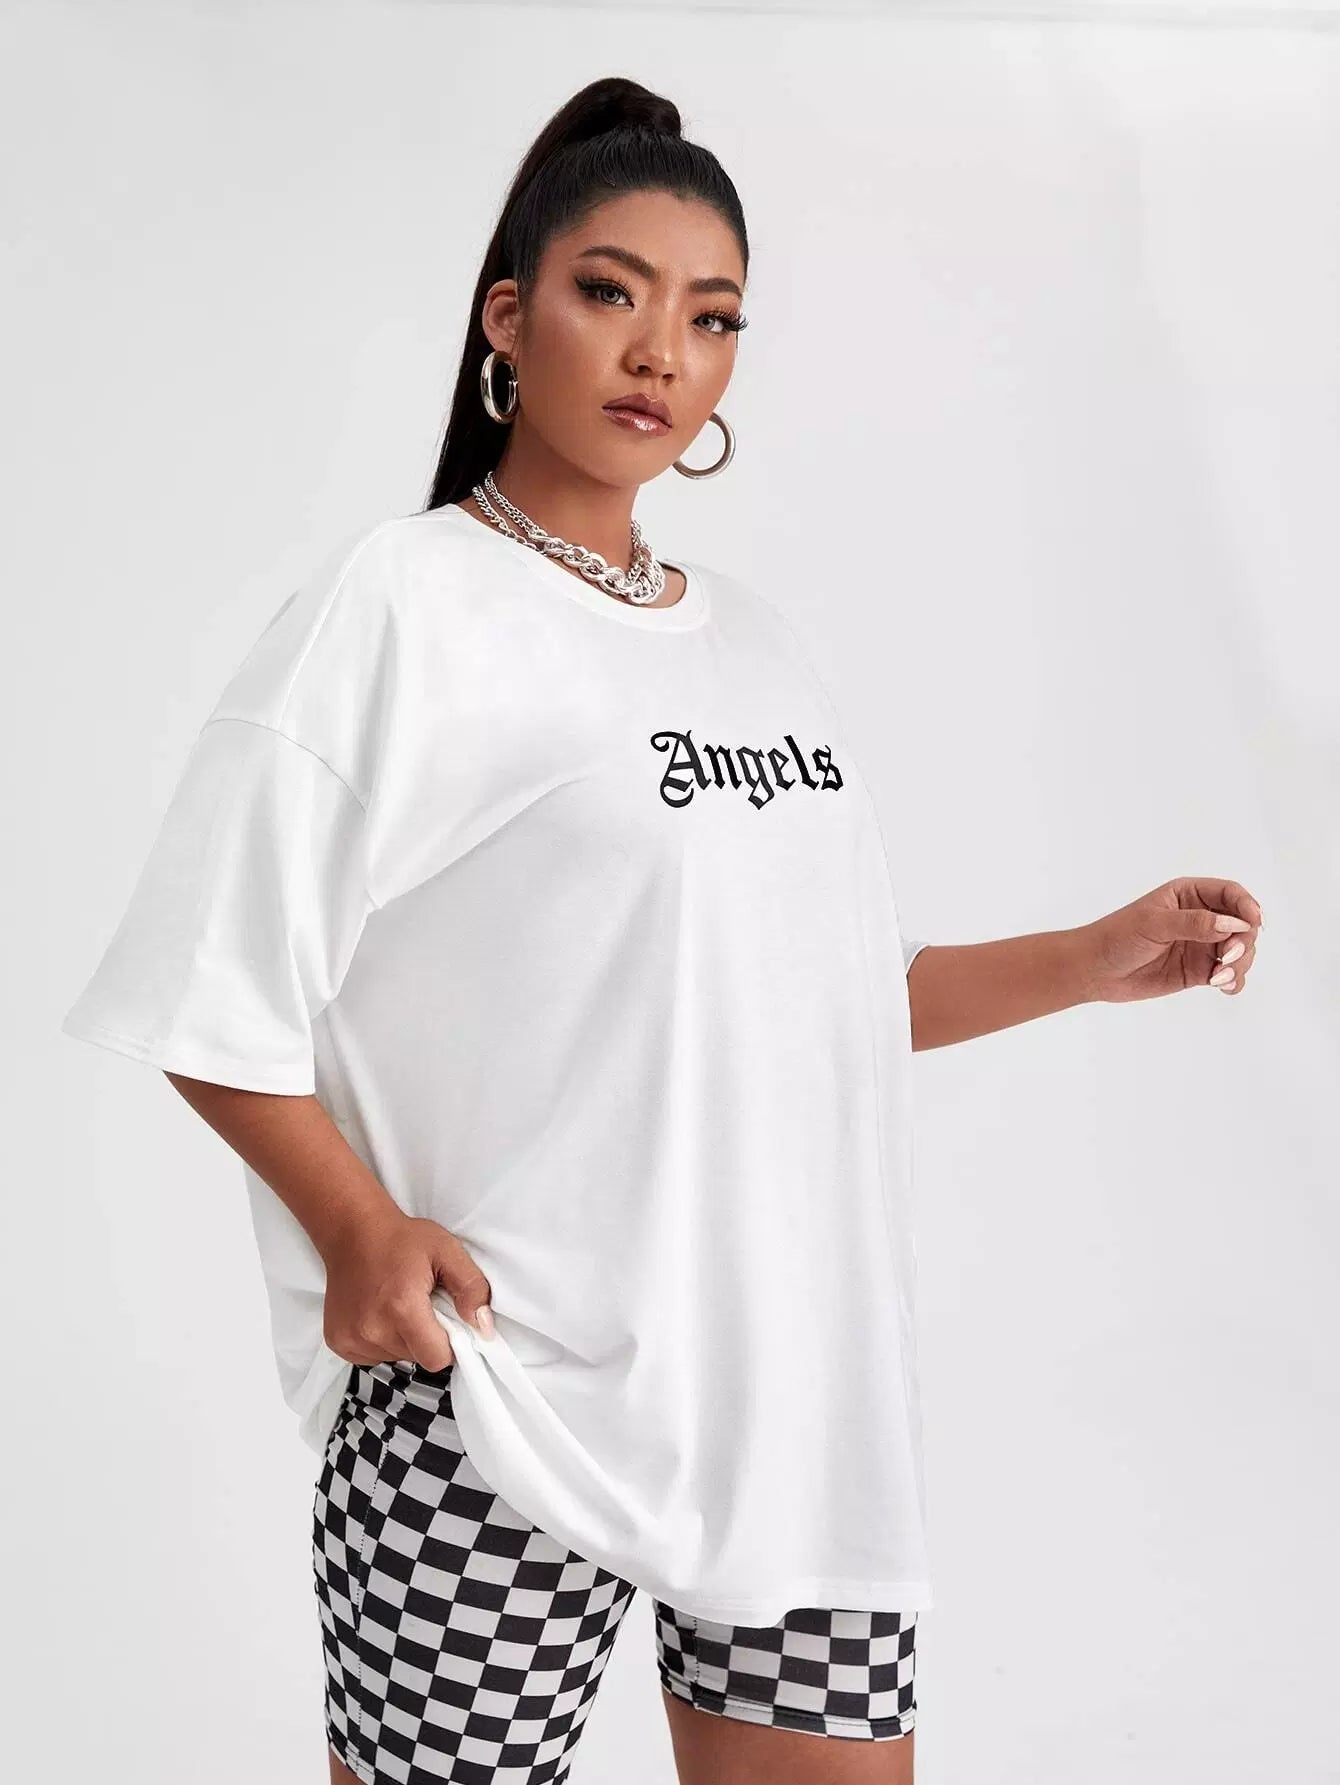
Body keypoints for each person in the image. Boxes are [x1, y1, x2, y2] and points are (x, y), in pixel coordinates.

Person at [61, 74, 1262, 1785]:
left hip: (795, 1411)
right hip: (497, 1403)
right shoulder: (403, 604)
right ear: (509, 319)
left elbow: (813, 998)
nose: (660, 353)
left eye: (712, 317)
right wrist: (356, 1225)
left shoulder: (761, 649)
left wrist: (1091, 955)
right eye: (610, 292)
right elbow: (207, 972)